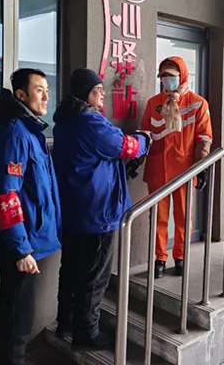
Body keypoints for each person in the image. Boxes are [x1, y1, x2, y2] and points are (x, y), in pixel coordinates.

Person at [53, 68, 150, 350]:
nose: (103, 94)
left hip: (74, 211)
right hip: (97, 213)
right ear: (86, 93)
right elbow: (126, 147)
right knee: (94, 276)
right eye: (98, 90)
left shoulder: (64, 122)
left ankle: (65, 323)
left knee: (71, 270)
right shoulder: (90, 122)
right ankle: (87, 333)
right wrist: (145, 139)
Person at [0, 68, 62, 365]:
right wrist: (21, 249)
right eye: (39, 90)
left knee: (20, 318)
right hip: (21, 246)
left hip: (29, 241)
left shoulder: (31, 131)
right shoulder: (15, 132)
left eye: (47, 90)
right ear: (21, 95)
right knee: (16, 323)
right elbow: (5, 195)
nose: (46, 97)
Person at [140, 56, 213, 279]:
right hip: (158, 167)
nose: (167, 79)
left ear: (182, 76)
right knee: (158, 217)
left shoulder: (198, 103)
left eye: (171, 75)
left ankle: (180, 257)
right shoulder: (154, 103)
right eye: (163, 75)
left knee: (183, 217)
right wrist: (137, 159)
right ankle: (159, 258)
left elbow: (204, 137)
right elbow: (145, 133)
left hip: (184, 169)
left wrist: (201, 167)